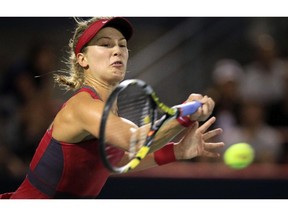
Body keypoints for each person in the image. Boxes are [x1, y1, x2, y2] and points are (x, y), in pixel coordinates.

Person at [0, 17, 224, 199]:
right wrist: (183, 113)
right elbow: (135, 141)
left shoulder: (109, 112)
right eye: (105, 44)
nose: (117, 50)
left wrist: (178, 151)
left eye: (122, 45)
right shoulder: (82, 106)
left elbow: (117, 160)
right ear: (82, 60)